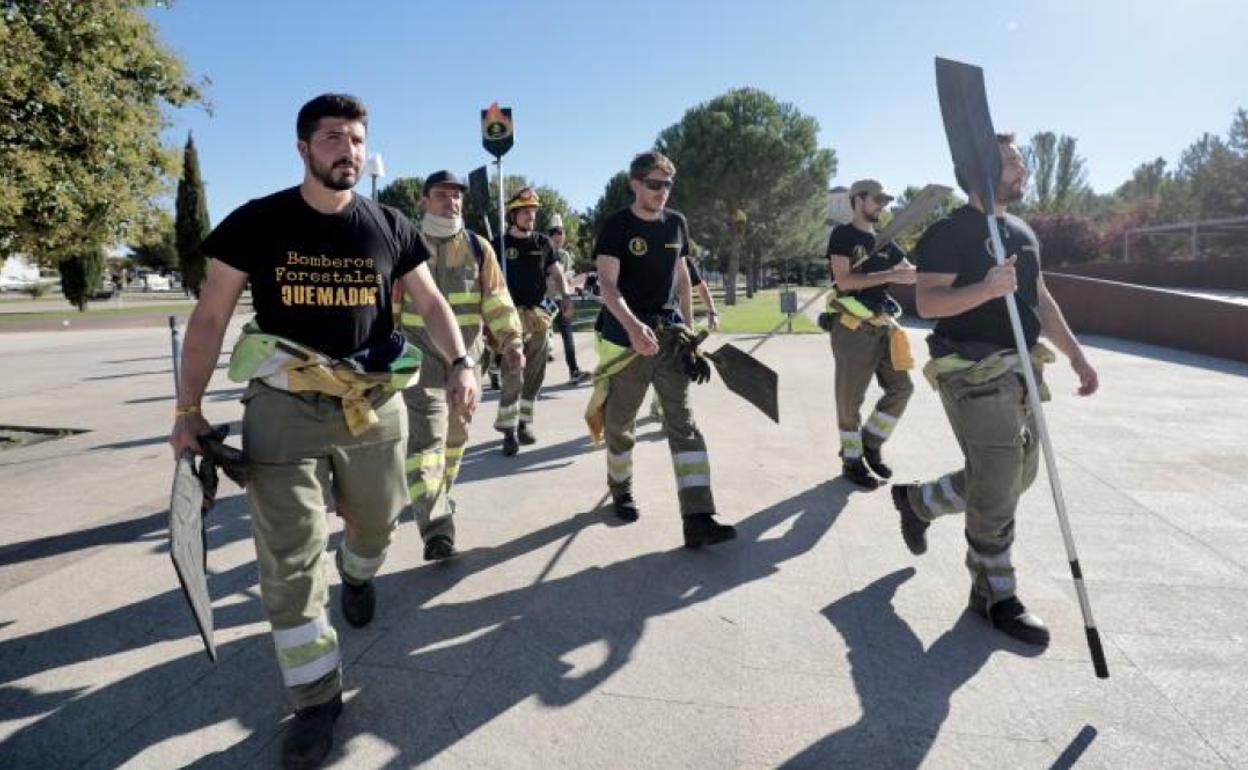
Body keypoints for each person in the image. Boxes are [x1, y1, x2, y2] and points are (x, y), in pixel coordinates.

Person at [168, 94, 478, 769]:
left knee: (375, 527)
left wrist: (460, 361)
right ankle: (314, 698)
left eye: (358, 138)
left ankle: (359, 571)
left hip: (372, 406)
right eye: (334, 137)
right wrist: (187, 411)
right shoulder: (258, 221)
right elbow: (211, 316)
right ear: (303, 147)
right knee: (288, 559)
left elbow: (429, 301)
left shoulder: (391, 225)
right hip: (283, 407)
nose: (349, 149)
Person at [893, 133, 1099, 647]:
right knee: (1001, 476)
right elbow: (928, 303)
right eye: (1012, 162)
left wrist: (1076, 354)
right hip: (970, 369)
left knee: (1012, 476)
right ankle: (993, 593)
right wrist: (985, 289)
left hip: (1023, 369)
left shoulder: (1023, 231)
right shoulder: (949, 232)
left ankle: (920, 502)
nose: (1023, 170)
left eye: (1022, 161)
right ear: (982, 169)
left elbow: (1040, 299)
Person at [587, 150, 736, 548]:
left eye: (667, 185)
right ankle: (620, 489)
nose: (662, 192)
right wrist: (634, 328)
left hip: (669, 340)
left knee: (683, 425)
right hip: (626, 343)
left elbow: (682, 276)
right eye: (654, 184)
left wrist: (689, 335)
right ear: (635, 184)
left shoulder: (677, 223)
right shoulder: (617, 226)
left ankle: (698, 516)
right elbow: (607, 285)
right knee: (621, 423)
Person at [399, 170, 523, 561]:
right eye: (441, 195)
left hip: (465, 365)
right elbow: (390, 306)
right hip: (418, 362)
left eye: (456, 197)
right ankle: (436, 530)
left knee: (455, 441)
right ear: (423, 201)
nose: (451, 203)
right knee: (427, 441)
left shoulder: (477, 246)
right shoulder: (407, 244)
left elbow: (497, 300)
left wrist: (512, 341)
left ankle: (440, 494)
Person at [825, 179, 916, 489]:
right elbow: (844, 282)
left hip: (882, 326)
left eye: (885, 200)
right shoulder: (843, 235)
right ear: (858, 199)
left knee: (902, 388)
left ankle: (870, 444)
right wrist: (891, 274)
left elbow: (910, 273)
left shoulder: (885, 241)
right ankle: (851, 461)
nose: (882, 205)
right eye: (877, 199)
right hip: (853, 328)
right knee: (850, 401)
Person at [494, 187, 575, 455]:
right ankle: (507, 429)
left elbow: (557, 272)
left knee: (535, 372)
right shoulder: (498, 245)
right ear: (513, 214)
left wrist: (565, 296)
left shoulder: (543, 243)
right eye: (526, 211)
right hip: (508, 318)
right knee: (512, 371)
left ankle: (525, 423)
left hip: (538, 317)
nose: (531, 216)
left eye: (534, 211)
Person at [546, 214, 591, 383]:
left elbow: (568, 278)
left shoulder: (565, 255)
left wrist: (575, 285)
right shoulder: (543, 252)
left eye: (561, 233)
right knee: (538, 337)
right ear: (550, 235)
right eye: (555, 233)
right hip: (546, 300)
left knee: (567, 334)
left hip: (562, 299)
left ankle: (574, 371)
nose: (559, 236)